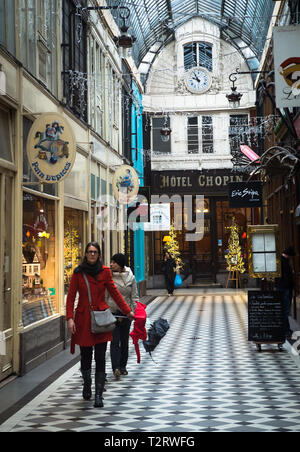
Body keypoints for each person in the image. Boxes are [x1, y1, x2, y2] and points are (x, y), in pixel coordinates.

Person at [66, 242, 134, 408]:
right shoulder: (78, 273)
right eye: (89, 252)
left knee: (101, 356)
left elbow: (115, 293)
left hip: (102, 319)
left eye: (95, 252)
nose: (92, 254)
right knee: (86, 355)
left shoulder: (104, 272)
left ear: (99, 254)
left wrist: (127, 311)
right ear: (86, 254)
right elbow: (70, 297)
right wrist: (69, 318)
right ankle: (87, 385)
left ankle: (99, 395)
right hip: (83, 320)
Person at [107, 254, 139, 379]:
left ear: (120, 264)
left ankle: (123, 366)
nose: (111, 264)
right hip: (112, 312)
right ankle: (115, 367)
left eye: (114, 262)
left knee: (124, 341)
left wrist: (134, 312)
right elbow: (105, 296)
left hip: (126, 314)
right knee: (114, 341)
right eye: (111, 261)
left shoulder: (131, 277)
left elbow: (134, 297)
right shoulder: (109, 277)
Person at [275, 246, 296, 339]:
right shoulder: (283, 262)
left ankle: (286, 329)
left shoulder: (280, 261)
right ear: (289, 255)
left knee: (284, 309)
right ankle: (285, 330)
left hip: (283, 287)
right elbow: (286, 277)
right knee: (285, 309)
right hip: (285, 288)